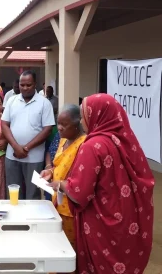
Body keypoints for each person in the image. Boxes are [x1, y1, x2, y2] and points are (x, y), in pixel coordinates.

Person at [43, 94, 154, 274]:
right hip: (125, 216)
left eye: (84, 114)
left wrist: (61, 185)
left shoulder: (92, 145)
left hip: (100, 220)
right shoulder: (125, 141)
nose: (82, 120)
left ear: (98, 115)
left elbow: (79, 192)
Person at [2, 70, 55, 199]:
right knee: (13, 192)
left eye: (28, 85)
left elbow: (47, 129)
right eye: (22, 85)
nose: (25, 88)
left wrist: (26, 148)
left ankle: (31, 220)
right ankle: (15, 219)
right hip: (12, 155)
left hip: (34, 157)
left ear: (35, 84)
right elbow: (4, 124)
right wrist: (16, 147)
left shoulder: (44, 103)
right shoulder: (11, 101)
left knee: (33, 193)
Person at [41, 105, 86, 250]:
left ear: (77, 123)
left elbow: (82, 176)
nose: (59, 128)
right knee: (56, 243)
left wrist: (60, 182)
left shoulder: (84, 144)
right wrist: (51, 172)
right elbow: (61, 164)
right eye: (58, 123)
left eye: (64, 125)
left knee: (68, 247)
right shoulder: (63, 140)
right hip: (57, 201)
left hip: (71, 207)